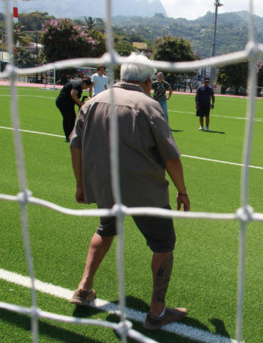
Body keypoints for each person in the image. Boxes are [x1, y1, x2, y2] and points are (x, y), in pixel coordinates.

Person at [69, 53, 191, 331]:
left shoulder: (93, 102)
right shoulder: (148, 105)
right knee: (163, 244)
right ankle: (157, 313)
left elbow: (75, 146)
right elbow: (171, 157)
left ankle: (83, 289)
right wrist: (182, 191)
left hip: (104, 186)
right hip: (144, 190)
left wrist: (80, 183)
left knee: (106, 228)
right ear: (148, 80)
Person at [55, 77, 92, 142]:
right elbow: (73, 94)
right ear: (84, 84)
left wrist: (81, 103)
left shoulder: (79, 85)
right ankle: (68, 136)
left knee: (72, 117)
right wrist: (80, 103)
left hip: (69, 103)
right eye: (87, 87)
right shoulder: (77, 85)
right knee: (68, 118)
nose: (87, 88)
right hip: (63, 102)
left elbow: (75, 97)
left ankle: (71, 135)